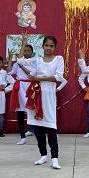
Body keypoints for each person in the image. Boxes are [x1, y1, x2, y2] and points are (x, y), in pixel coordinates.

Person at [17, 34, 64, 170]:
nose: (49, 48)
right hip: (36, 95)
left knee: (51, 127)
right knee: (37, 127)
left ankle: (54, 158)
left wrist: (39, 78)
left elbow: (58, 77)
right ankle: (43, 155)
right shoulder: (37, 60)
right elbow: (20, 61)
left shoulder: (58, 59)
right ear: (42, 46)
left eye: (51, 46)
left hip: (49, 96)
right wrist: (24, 43)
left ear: (55, 47)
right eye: (46, 45)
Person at [8, 46, 36, 144]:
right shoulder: (17, 63)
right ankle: (22, 137)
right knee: (20, 112)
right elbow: (9, 72)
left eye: (29, 51)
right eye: (25, 51)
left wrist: (21, 65)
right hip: (19, 87)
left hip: (30, 87)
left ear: (32, 52)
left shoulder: (35, 62)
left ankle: (36, 131)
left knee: (33, 111)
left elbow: (32, 75)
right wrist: (10, 58)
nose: (26, 52)